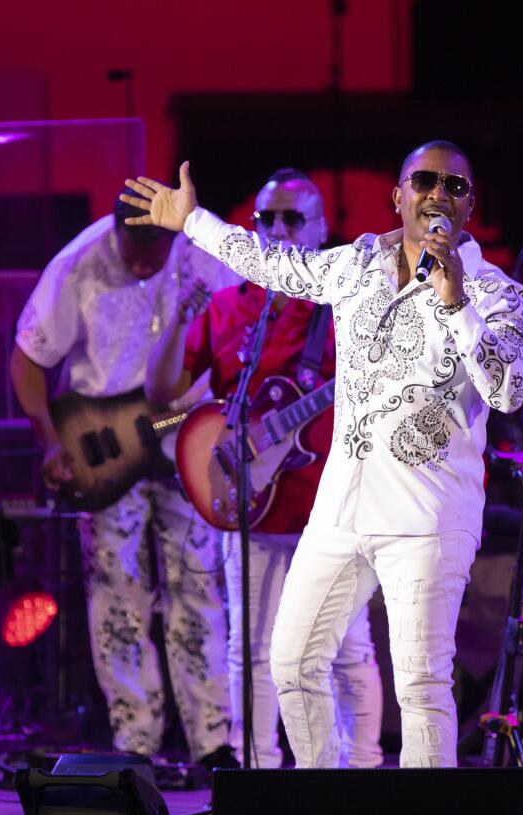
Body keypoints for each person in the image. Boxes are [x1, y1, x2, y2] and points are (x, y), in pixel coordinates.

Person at [121, 140, 523, 768]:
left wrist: (456, 306)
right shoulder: (358, 265)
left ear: (470, 205)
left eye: (454, 186)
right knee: (290, 662)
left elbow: (508, 391)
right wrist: (193, 222)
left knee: (421, 688)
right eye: (424, 180)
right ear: (398, 195)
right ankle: (321, 812)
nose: (437, 194)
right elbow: (271, 263)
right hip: (339, 511)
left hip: (428, 518)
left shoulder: (495, 293)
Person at [144, 168, 384, 768]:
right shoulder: (228, 306)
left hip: (330, 506)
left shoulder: (346, 306)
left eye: (293, 218)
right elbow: (162, 390)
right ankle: (258, 776)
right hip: (248, 502)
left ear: (323, 229)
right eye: (266, 219)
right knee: (250, 648)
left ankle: (364, 776)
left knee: (348, 651)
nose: (277, 229)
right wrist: (178, 318)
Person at [10, 190, 238, 767]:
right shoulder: (77, 264)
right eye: (131, 252)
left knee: (201, 586)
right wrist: (49, 441)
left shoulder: (206, 253)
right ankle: (134, 743)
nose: (140, 266)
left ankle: (213, 743)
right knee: (118, 596)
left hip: (189, 433)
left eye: (152, 254)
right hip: (104, 446)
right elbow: (28, 358)